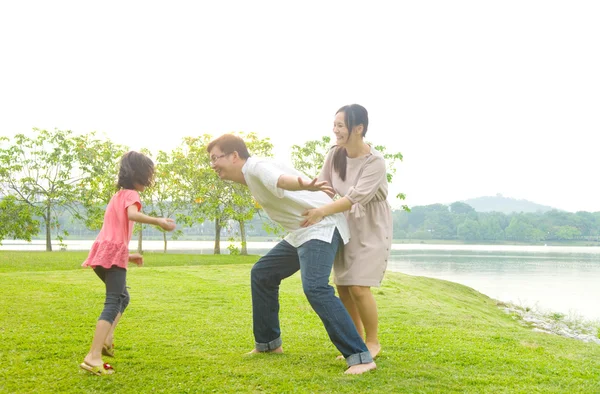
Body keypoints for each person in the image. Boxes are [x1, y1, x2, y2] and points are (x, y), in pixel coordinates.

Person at [207, 134, 376, 375]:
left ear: (235, 156)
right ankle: (268, 345)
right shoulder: (250, 175)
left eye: (216, 158)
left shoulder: (255, 166)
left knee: (315, 287)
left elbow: (281, 180)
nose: (213, 165)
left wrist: (304, 183)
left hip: (320, 226)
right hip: (302, 232)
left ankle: (360, 358)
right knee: (263, 273)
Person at [301, 104, 393, 359]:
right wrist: (306, 193)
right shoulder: (335, 154)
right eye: (335, 125)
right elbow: (325, 186)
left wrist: (322, 212)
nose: (336, 130)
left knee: (360, 287)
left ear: (359, 128)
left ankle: (373, 342)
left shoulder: (375, 162)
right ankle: (357, 341)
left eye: (341, 125)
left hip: (372, 223)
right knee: (343, 286)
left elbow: (354, 198)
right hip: (343, 221)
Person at [80, 151, 176, 375]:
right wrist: (158, 221)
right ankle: (93, 355)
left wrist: (128, 255)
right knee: (113, 301)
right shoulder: (131, 195)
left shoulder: (118, 196)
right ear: (139, 174)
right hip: (111, 253)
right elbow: (132, 215)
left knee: (123, 297)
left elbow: (113, 232)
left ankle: (107, 338)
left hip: (103, 253)